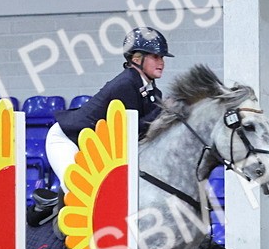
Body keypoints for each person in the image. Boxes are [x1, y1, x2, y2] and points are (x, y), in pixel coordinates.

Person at [45, 26, 173, 189]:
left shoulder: (153, 91)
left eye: (162, 57)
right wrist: (162, 109)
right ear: (136, 59)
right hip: (68, 139)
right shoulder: (125, 84)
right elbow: (131, 132)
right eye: (155, 57)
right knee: (76, 189)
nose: (161, 62)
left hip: (91, 146)